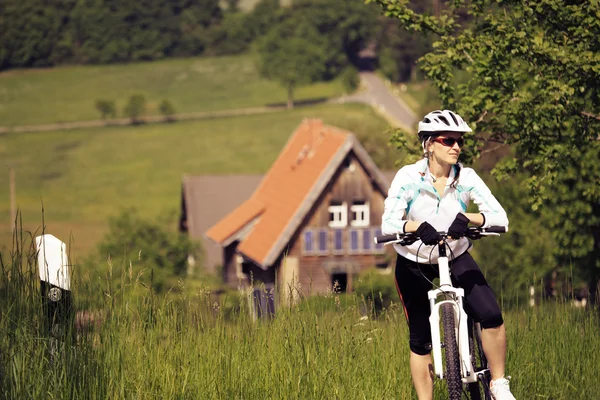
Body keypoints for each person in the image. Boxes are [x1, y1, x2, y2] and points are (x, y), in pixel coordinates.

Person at [381, 110, 516, 400]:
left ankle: (498, 384)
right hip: (415, 261)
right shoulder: (409, 177)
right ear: (429, 144)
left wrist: (470, 219)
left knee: (491, 314)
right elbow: (388, 223)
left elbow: (500, 218)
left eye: (459, 141)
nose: (456, 146)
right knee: (420, 340)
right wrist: (416, 226)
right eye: (447, 140)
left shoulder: (465, 177)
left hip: (455, 256)